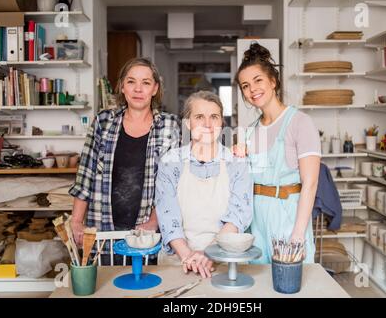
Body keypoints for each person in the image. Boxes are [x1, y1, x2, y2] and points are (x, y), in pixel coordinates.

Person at [69, 58, 180, 264]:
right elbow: (85, 175)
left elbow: (171, 183)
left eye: (146, 83)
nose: (138, 89)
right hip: (102, 226)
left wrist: (154, 221)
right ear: (122, 86)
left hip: (146, 233)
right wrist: (76, 222)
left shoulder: (169, 125)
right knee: (107, 288)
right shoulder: (103, 121)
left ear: (155, 88)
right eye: (131, 82)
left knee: (146, 289)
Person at [234, 43, 321, 264]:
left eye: (258, 80)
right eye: (245, 85)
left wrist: (298, 233)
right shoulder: (250, 131)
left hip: (288, 218)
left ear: (273, 81)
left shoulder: (300, 123)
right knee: (258, 285)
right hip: (255, 222)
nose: (252, 89)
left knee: (288, 286)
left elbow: (310, 184)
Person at [155, 91, 253, 278]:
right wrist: (188, 256)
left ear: (221, 123)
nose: (208, 124)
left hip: (227, 260)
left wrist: (208, 253)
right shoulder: (170, 162)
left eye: (214, 117)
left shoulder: (237, 163)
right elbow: (168, 215)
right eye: (199, 117)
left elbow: (238, 215)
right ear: (187, 123)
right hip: (179, 261)